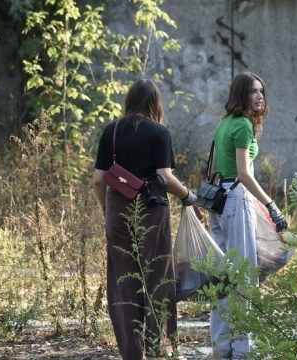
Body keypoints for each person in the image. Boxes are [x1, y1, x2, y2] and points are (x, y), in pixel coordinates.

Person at [93, 79, 196, 360]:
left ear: (129, 100)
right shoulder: (159, 132)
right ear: (155, 103)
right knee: (157, 278)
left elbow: (98, 181)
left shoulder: (110, 131)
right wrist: (188, 196)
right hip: (151, 211)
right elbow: (165, 177)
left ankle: (131, 353)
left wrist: (107, 210)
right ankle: (159, 348)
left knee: (124, 281)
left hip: (117, 210)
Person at [209, 71, 288, 358]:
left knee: (223, 277)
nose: (260, 96)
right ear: (241, 94)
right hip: (235, 198)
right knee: (244, 276)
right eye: (254, 91)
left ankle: (221, 346)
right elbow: (243, 174)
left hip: (220, 202)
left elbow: (221, 169)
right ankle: (243, 350)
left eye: (262, 91)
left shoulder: (224, 123)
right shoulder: (241, 124)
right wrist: (270, 204)